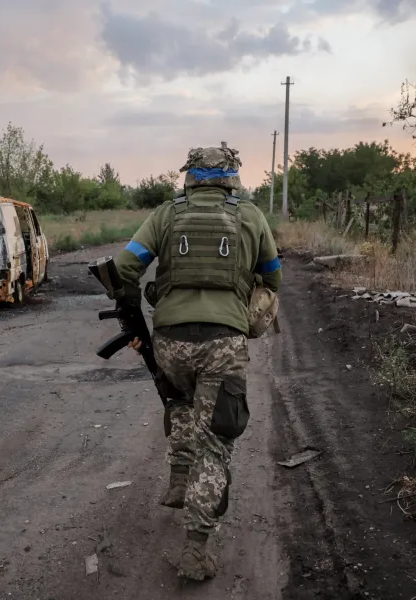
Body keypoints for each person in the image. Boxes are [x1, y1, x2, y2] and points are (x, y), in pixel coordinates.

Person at [114, 142, 282, 581]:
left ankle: (178, 481)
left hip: (171, 341)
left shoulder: (166, 215)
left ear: (189, 175)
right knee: (217, 441)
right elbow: (275, 276)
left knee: (181, 402)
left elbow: (124, 266)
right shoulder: (250, 216)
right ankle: (195, 549)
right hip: (223, 343)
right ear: (232, 177)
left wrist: (137, 309)